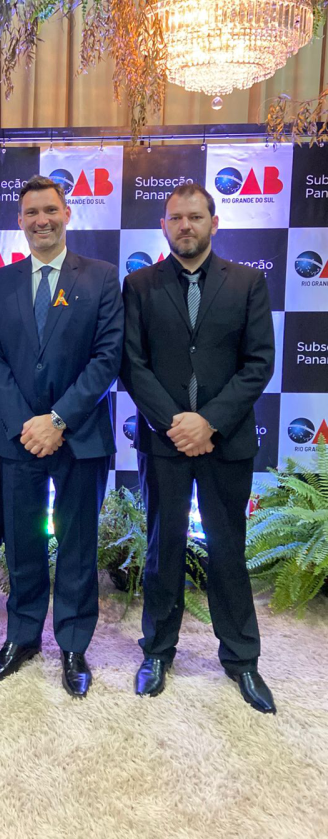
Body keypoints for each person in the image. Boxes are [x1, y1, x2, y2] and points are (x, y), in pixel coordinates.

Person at [121, 182, 276, 713]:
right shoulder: (139, 285)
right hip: (164, 442)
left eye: (194, 216)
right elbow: (132, 365)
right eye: (175, 218)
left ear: (214, 222)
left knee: (228, 549)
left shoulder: (248, 282)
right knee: (162, 548)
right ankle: (157, 651)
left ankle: (242, 659)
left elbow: (259, 363)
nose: (184, 225)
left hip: (225, 441)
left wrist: (208, 422)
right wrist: (175, 424)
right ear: (164, 225)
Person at [0, 176, 123, 697]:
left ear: (67, 214)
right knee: (22, 543)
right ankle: (22, 637)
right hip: (19, 438)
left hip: (80, 436)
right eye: (31, 212)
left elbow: (107, 358)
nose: (41, 220)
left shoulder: (102, 277)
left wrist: (57, 420)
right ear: (19, 221)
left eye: (50, 210)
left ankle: (74, 644)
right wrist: (29, 424)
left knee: (78, 543)